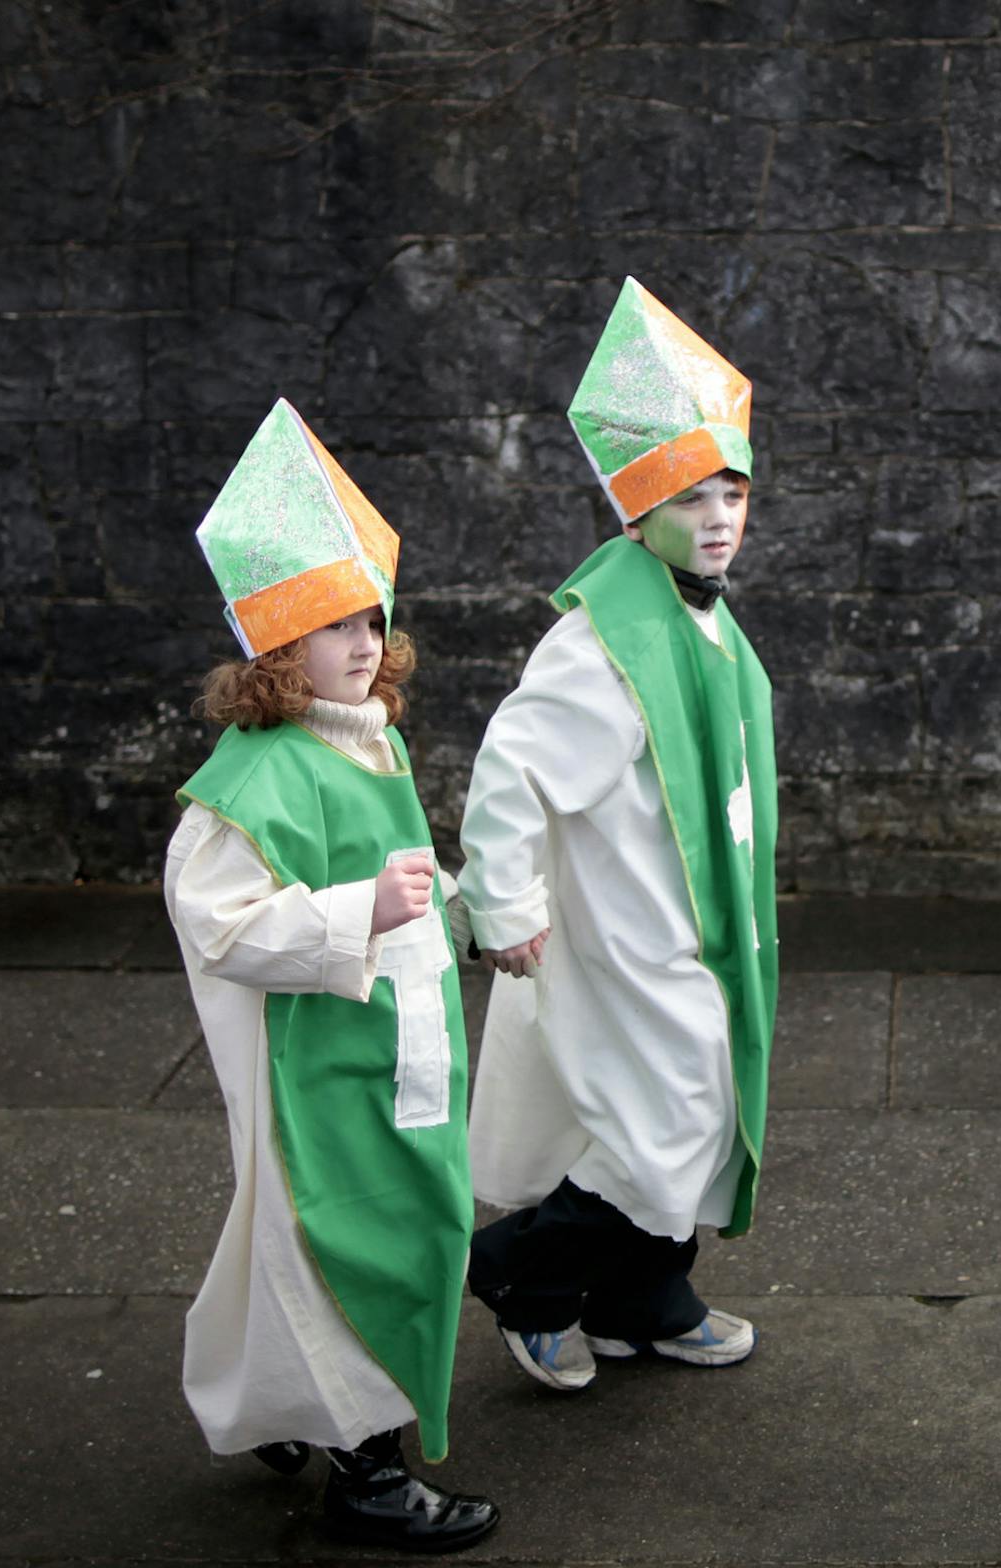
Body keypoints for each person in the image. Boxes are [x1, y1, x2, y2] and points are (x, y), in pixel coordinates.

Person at [164, 398, 498, 1554]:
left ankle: (283, 1404)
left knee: (354, 1232)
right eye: (333, 625)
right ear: (276, 648)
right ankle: (368, 1470)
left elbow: (393, 861)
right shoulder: (257, 776)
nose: (364, 643)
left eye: (372, 618)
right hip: (328, 1060)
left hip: (393, 1040)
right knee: (357, 1238)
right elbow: (218, 920)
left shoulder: (365, 731)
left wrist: (447, 908)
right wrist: (363, 910)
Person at [458, 276, 779, 1394]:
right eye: (695, 497)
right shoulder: (605, 641)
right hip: (624, 931)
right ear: (640, 512)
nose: (721, 517)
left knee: (704, 1111)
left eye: (734, 492)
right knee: (666, 1123)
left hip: (695, 925)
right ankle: (524, 1276)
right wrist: (500, 906)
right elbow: (515, 766)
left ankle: (646, 1298)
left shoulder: (708, 623)